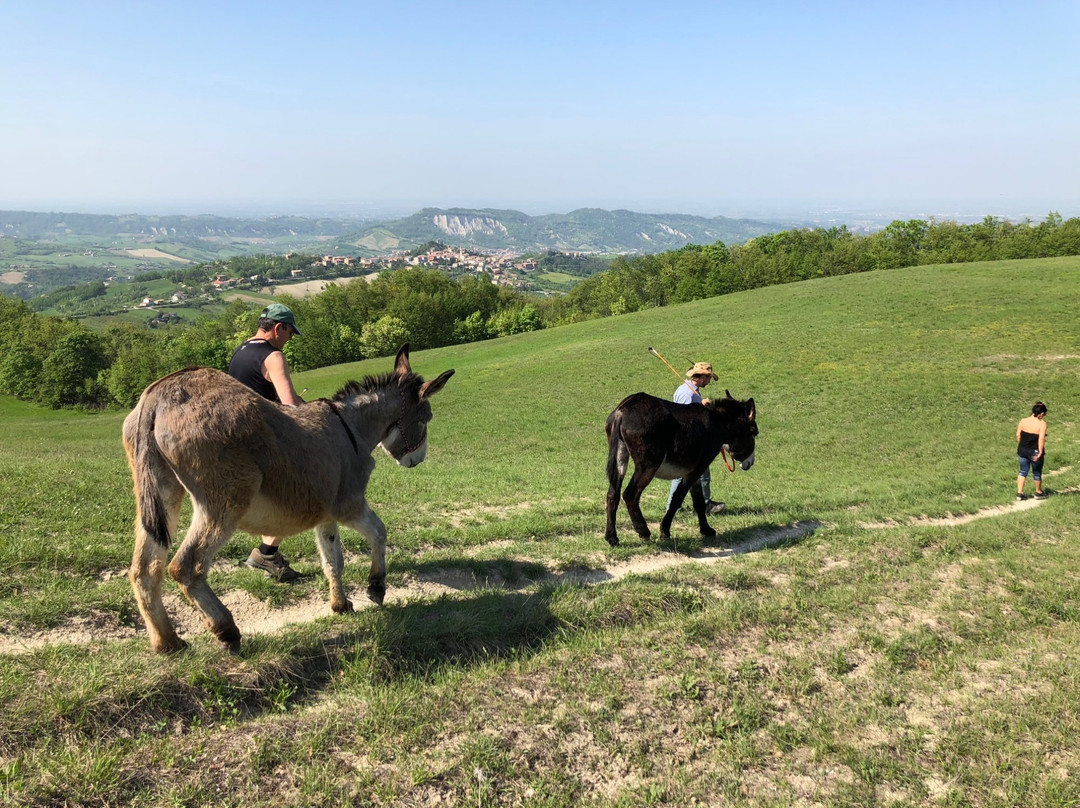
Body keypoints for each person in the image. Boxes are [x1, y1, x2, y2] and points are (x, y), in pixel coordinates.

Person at [227, 303, 306, 580]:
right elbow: (290, 406)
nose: (290, 340)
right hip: (266, 441)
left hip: (241, 438)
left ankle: (267, 553)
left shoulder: (241, 350)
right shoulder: (273, 357)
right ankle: (266, 555)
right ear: (278, 328)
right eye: (290, 333)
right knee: (298, 493)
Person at [666, 361, 726, 516]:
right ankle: (704, 505)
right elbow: (685, 419)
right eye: (709, 378)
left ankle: (675, 507)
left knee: (684, 475)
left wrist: (700, 404)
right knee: (696, 473)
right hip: (688, 442)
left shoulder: (689, 391)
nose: (709, 381)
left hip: (686, 442)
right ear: (702, 378)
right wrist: (701, 406)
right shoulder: (689, 393)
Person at [1015, 401, 1049, 501]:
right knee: (1037, 473)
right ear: (1041, 414)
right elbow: (1041, 439)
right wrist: (1040, 452)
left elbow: (1018, 435)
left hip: (1022, 450)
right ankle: (1038, 492)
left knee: (1022, 471)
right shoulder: (1042, 424)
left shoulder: (1023, 421)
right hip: (1034, 451)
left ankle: (1020, 493)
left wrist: (1023, 445)